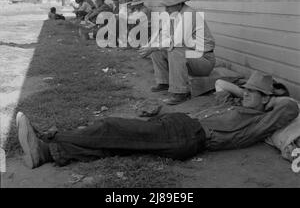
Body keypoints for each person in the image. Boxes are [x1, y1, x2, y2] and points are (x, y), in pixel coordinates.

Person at [16, 71, 299, 169]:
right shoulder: (236, 102)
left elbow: (290, 105)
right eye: (247, 90)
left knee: (111, 127)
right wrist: (247, 92)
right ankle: (48, 152)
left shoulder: (263, 119)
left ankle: (49, 141)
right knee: (115, 144)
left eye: (254, 92)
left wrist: (267, 98)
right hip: (178, 126)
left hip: (188, 136)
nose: (248, 94)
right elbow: (224, 84)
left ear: (267, 98)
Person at [139, 0, 216, 105]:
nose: (166, 9)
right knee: (157, 48)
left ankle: (180, 92)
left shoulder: (189, 14)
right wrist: (150, 46)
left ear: (179, 4)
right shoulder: (174, 15)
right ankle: (164, 82)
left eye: (169, 6)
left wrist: (153, 47)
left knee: (176, 49)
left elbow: (176, 41)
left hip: (204, 60)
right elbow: (163, 34)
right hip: (192, 56)